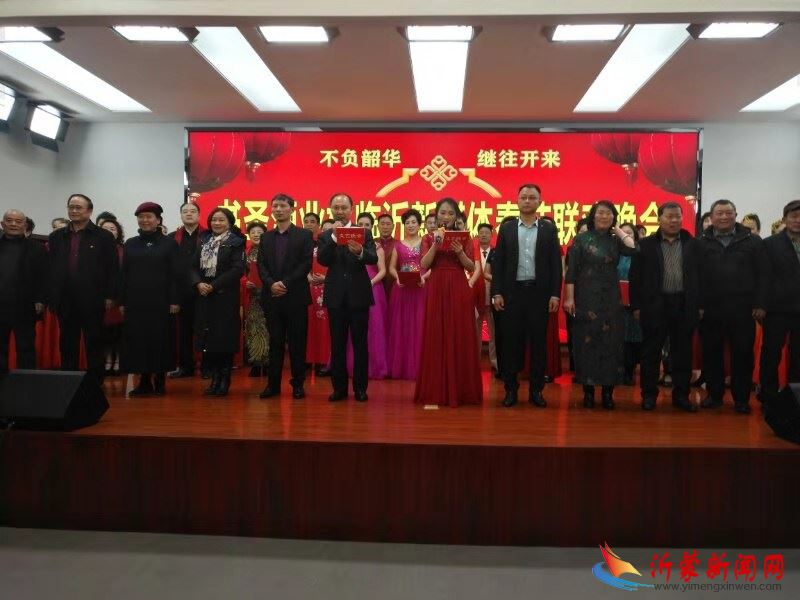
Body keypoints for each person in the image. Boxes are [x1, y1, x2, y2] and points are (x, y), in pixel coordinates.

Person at [491, 184, 562, 408]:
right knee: (511, 343)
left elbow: (555, 265)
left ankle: (536, 391)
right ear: (517, 200)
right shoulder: (507, 229)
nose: (528, 201)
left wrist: (555, 294)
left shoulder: (549, 229)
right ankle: (511, 390)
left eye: (532, 197)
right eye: (524, 197)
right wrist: (497, 292)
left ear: (539, 201)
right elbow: (499, 264)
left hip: (539, 295)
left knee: (539, 344)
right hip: (512, 294)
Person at [563, 201, 638, 409]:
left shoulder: (616, 240)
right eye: (600, 213)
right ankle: (588, 392)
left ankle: (607, 393)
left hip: (611, 299)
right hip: (585, 298)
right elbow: (571, 271)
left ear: (614, 218)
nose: (604, 217)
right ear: (593, 216)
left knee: (611, 345)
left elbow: (634, 249)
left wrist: (619, 231)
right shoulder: (581, 239)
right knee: (586, 344)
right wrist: (569, 298)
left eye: (608, 214)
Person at [697, 199, 769, 414]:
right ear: (711, 217)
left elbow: (764, 275)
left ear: (736, 215)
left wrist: (761, 303)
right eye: (719, 213)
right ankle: (714, 395)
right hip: (711, 309)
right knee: (712, 354)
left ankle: (741, 399)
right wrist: (698, 305)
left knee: (743, 355)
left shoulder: (752, 241)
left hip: (743, 308)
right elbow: (695, 277)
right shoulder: (701, 242)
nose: (724, 217)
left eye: (728, 212)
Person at [629, 203, 700, 412]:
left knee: (682, 353)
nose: (674, 220)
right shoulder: (646, 245)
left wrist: (699, 305)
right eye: (669, 216)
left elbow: (701, 277)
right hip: (654, 305)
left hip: (683, 304)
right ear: (659, 219)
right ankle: (649, 396)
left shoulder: (693, 244)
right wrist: (636, 306)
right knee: (651, 353)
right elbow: (635, 278)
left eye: (677, 216)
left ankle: (682, 396)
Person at [414, 198, 482, 407]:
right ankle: (436, 389)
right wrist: (436, 243)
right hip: (436, 287)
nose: (446, 217)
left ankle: (461, 390)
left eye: (451, 213)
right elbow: (424, 264)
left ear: (457, 216)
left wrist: (460, 251)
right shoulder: (428, 237)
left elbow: (471, 267)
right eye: (442, 213)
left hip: (459, 286)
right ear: (436, 215)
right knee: (436, 333)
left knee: (459, 332)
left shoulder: (465, 237)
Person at [48, 194, 119, 383]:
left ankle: (95, 382)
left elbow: (112, 269)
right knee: (67, 343)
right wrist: (52, 296)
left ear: (89, 211)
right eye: (71, 207)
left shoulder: (104, 236)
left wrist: (110, 295)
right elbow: (51, 268)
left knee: (94, 343)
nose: (74, 210)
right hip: (65, 299)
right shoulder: (56, 237)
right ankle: (68, 381)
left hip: (93, 299)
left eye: (78, 207)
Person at [317, 193, 378, 402]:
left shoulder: (364, 232)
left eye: (344, 208)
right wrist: (334, 238)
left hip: (358, 296)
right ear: (330, 209)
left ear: (351, 209)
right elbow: (323, 260)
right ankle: (339, 389)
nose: (340, 211)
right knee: (338, 345)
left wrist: (360, 251)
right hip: (335, 298)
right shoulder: (326, 235)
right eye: (336, 208)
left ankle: (360, 388)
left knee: (360, 345)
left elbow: (373, 258)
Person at [119, 203, 180, 397]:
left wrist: (175, 300)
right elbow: (124, 274)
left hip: (161, 301)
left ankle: (160, 381)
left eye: (149, 217)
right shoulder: (130, 243)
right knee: (138, 341)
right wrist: (122, 301)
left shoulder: (169, 244)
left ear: (158, 220)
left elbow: (176, 275)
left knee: (160, 340)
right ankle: (144, 382)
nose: (144, 220)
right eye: (141, 217)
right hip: (135, 301)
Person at [257, 194, 313, 399]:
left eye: (282, 206)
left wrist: (285, 283)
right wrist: (271, 284)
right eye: (275, 206)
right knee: (275, 342)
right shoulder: (266, 237)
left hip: (295, 296)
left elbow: (305, 264)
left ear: (292, 209)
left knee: (298, 343)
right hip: (272, 297)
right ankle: (273, 385)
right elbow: (261, 265)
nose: (278, 209)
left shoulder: (304, 235)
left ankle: (298, 384)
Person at [191, 208, 246, 397]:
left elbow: (237, 269)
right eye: (214, 220)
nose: (217, 223)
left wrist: (213, 286)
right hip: (204, 297)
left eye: (221, 220)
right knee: (209, 341)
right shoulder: (204, 241)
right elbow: (192, 267)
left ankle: (224, 381)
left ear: (229, 223)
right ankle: (214, 379)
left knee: (224, 341)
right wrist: (198, 283)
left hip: (225, 298)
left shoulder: (236, 242)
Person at [759, 199, 800, 405]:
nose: (798, 220)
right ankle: (769, 396)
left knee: (798, 355)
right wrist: (761, 305)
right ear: (784, 219)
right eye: (794, 216)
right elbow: (763, 277)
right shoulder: (770, 243)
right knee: (771, 353)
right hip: (777, 309)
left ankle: (794, 397)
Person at [0, 209, 47, 372]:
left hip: (25, 306)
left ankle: (26, 383)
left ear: (25, 225)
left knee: (26, 349)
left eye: (18, 221)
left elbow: (44, 276)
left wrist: (40, 299)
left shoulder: (37, 248)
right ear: (2, 224)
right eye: (9, 220)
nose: (13, 224)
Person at [387, 209, 427, 380]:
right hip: (402, 289)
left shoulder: (425, 242)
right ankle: (401, 366)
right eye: (407, 223)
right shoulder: (398, 244)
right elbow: (391, 267)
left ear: (419, 224)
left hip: (421, 288)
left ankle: (420, 367)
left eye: (413, 222)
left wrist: (424, 277)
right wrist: (397, 278)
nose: (410, 225)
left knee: (420, 325)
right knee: (401, 327)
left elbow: (432, 265)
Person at [168, 202, 206, 378]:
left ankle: (207, 366)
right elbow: (169, 269)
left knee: (204, 329)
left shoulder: (208, 235)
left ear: (199, 214)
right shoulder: (171, 238)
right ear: (181, 215)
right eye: (185, 211)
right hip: (181, 291)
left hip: (204, 290)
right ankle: (186, 366)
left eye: (193, 211)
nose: (189, 214)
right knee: (183, 331)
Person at [349, 212, 388, 380]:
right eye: (360, 225)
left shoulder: (376, 246)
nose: (363, 228)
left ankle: (374, 366)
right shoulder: (349, 244)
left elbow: (383, 271)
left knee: (374, 329)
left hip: (373, 289)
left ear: (372, 228)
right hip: (352, 289)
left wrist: (370, 283)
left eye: (367, 225)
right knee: (352, 329)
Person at [617, 223, 643, 386]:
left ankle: (629, 370)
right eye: (622, 233)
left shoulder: (639, 253)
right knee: (618, 338)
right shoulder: (615, 253)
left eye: (629, 233)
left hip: (635, 303)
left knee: (633, 338)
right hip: (616, 304)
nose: (625, 236)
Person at [306, 219, 333, 376]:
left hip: (331, 289)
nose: (328, 232)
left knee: (328, 327)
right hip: (313, 289)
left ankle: (326, 361)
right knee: (312, 325)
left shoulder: (339, 248)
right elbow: (304, 265)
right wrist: (309, 278)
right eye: (326, 229)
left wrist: (326, 279)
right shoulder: (313, 248)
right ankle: (311, 359)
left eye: (331, 229)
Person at [244, 220, 268, 377]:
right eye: (253, 232)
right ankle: (255, 362)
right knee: (253, 328)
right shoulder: (245, 253)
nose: (256, 234)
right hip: (251, 296)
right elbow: (240, 272)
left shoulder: (269, 251)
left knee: (268, 328)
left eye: (260, 232)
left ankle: (267, 362)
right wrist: (245, 282)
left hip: (268, 294)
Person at [100, 218, 125, 375]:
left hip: (120, 297)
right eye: (105, 228)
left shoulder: (124, 249)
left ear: (118, 232)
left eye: (113, 229)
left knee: (119, 332)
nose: (109, 231)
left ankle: (118, 360)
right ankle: (108, 359)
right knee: (104, 332)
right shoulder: (95, 248)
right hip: (100, 296)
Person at [471, 223, 496, 370]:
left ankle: (495, 362)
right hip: (475, 297)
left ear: (491, 235)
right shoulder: (471, 252)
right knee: (475, 332)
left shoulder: (497, 252)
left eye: (487, 232)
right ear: (477, 235)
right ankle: (474, 361)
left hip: (492, 296)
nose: (484, 235)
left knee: (494, 332)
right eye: (481, 232)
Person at [377, 213, 397, 300]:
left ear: (393, 226)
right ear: (377, 226)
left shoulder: (399, 244)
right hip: (376, 284)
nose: (385, 227)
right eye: (382, 224)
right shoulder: (372, 243)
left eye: (388, 224)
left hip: (394, 284)